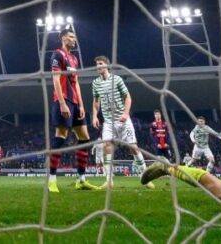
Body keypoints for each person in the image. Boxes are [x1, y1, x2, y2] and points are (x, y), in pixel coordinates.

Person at [47, 28, 100, 192]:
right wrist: (62, 103)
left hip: (75, 103)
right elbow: (56, 79)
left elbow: (75, 83)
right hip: (63, 100)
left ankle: (81, 180)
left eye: (74, 37)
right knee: (61, 137)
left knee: (84, 138)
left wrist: (81, 105)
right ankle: (51, 179)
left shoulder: (74, 59)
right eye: (71, 37)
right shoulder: (58, 55)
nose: (74, 39)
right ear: (63, 38)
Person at [90, 55, 153, 189]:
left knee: (133, 148)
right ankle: (109, 180)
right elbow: (96, 101)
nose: (98, 66)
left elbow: (128, 97)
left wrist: (125, 113)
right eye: (96, 64)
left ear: (107, 65)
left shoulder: (117, 79)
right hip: (108, 122)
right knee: (107, 146)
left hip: (123, 121)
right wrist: (95, 116)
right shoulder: (95, 83)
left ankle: (145, 177)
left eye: (100, 63)